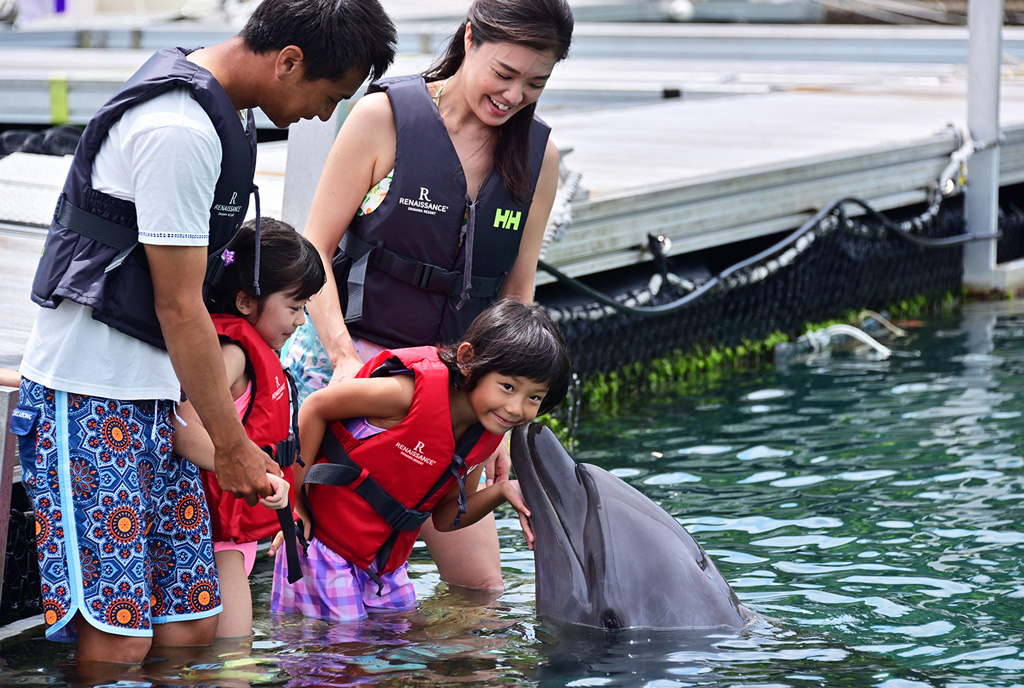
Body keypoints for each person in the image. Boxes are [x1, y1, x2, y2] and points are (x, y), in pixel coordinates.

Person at [10, 0, 396, 670]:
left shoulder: (225, 112)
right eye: (328, 96)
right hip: (89, 398)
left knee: (190, 622)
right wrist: (233, 445)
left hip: (158, 403)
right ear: (289, 62)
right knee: (120, 634)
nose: (324, 116)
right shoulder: (180, 126)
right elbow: (181, 305)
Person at [281, 0, 575, 592]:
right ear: (470, 40)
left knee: (480, 592)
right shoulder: (383, 118)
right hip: (363, 368)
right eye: (504, 73)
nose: (514, 95)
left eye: (535, 83)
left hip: (459, 391)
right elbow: (314, 250)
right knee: (332, 563)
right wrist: (342, 356)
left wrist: (505, 433)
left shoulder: (538, 157)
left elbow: (517, 293)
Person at [272, 299, 571, 622]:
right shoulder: (408, 393)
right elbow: (316, 407)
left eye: (534, 398)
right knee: (346, 657)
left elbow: (446, 519)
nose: (515, 408)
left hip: (381, 566)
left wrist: (502, 492)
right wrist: (296, 505)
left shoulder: (485, 436)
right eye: (508, 387)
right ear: (468, 359)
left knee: (398, 644)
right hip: (325, 550)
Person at [171, 217, 326, 639]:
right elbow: (182, 425)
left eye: (306, 308)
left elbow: (282, 445)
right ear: (244, 302)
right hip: (209, 533)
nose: (300, 321)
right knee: (233, 657)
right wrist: (253, 472)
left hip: (232, 533)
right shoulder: (232, 353)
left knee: (231, 654)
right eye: (294, 307)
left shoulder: (258, 355)